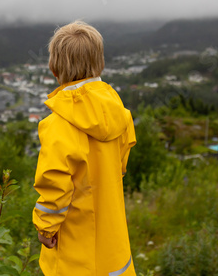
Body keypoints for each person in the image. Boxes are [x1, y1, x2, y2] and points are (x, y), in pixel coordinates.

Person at [32, 21, 137, 276]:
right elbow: (119, 169)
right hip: (113, 246)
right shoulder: (121, 114)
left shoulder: (58, 124)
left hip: (75, 251)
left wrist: (45, 229)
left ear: (55, 67)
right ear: (99, 62)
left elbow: (55, 184)